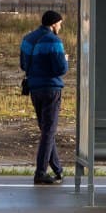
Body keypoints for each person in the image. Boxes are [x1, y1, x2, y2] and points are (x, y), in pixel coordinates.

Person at [20, 10, 69, 185]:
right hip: (51, 89)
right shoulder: (54, 41)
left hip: (34, 88)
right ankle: (40, 172)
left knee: (46, 130)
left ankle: (57, 169)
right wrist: (65, 59)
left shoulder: (28, 39)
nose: (60, 27)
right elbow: (61, 69)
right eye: (60, 24)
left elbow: (23, 64)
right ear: (54, 23)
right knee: (49, 131)